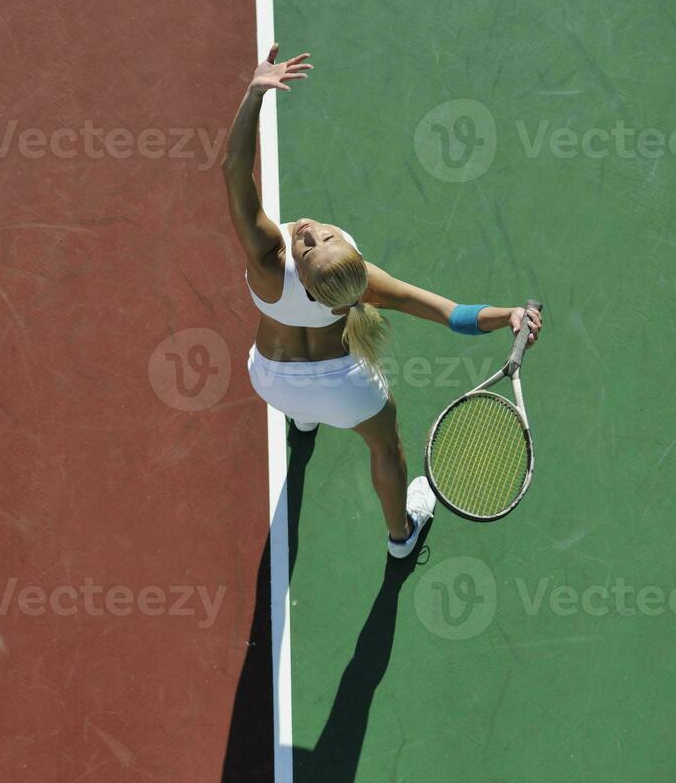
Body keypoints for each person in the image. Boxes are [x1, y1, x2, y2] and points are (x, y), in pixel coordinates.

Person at [223, 44, 543, 558]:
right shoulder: (364, 284)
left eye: (318, 241)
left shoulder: (267, 262)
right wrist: (508, 314)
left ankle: (302, 423)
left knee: (306, 414)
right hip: (346, 394)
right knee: (386, 448)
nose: (311, 232)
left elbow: (234, 171)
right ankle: (402, 537)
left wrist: (254, 92)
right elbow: (450, 314)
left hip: (272, 384)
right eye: (317, 241)